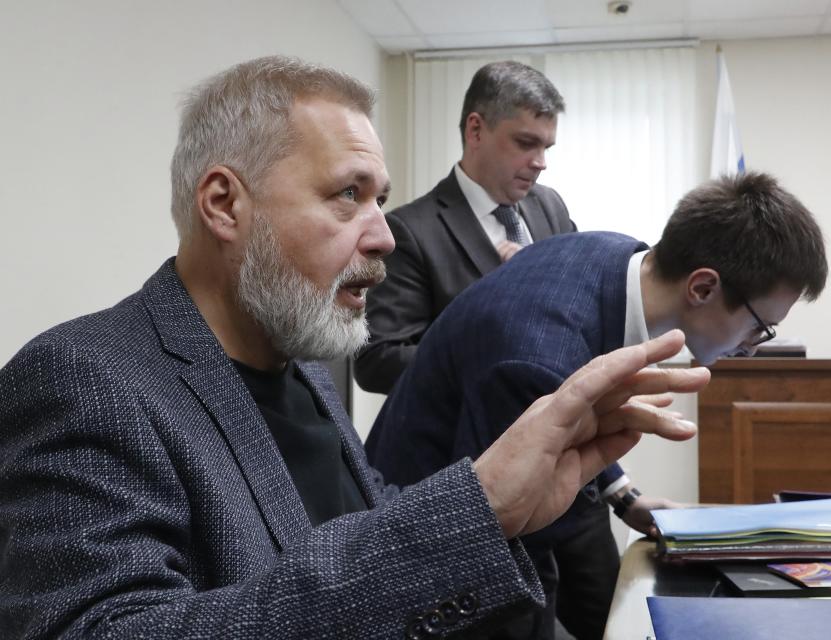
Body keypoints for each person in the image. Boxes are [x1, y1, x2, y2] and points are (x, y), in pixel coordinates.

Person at [0, 56, 711, 640]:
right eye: (348, 195)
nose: (384, 236)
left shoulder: (302, 366)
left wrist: (504, 509)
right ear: (223, 204)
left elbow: (357, 530)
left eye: (380, 199)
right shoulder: (82, 380)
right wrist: (475, 508)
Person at [366, 172, 829, 639]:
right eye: (760, 327)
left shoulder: (616, 256)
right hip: (418, 563)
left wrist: (624, 497)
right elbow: (542, 553)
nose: (754, 346)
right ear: (703, 288)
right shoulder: (537, 357)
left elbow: (578, 408)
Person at [353, 60, 575, 395]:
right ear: (476, 130)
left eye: (546, 147)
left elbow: (579, 301)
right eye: (526, 143)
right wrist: (497, 334)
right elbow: (377, 362)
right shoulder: (410, 230)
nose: (540, 162)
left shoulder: (551, 207)